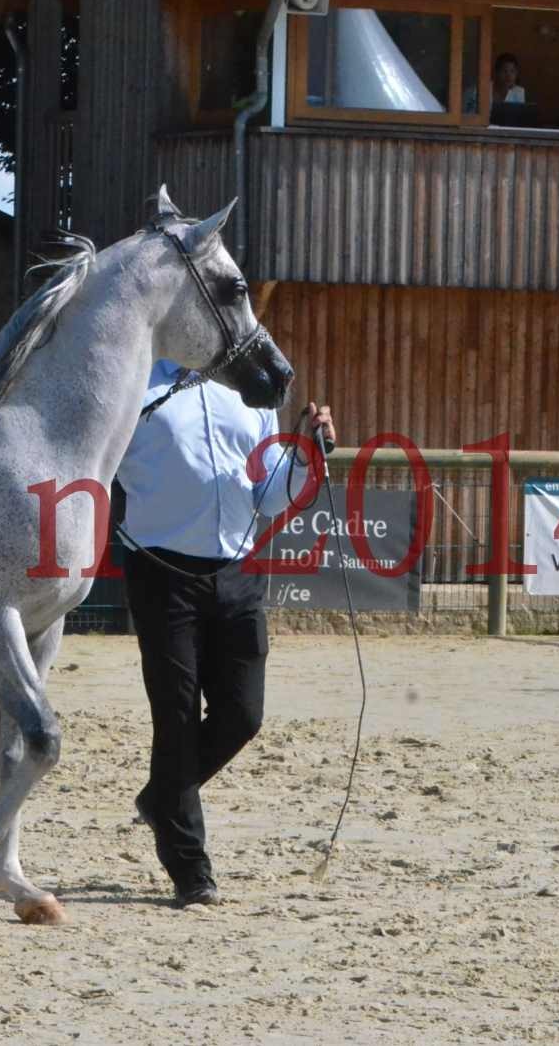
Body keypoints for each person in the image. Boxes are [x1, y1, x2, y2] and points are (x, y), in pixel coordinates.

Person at [115, 358, 336, 908]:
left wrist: (308, 454)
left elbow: (269, 492)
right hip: (160, 569)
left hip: (237, 569)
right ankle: (191, 871)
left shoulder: (249, 395)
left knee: (244, 714)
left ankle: (161, 797)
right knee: (177, 717)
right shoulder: (136, 386)